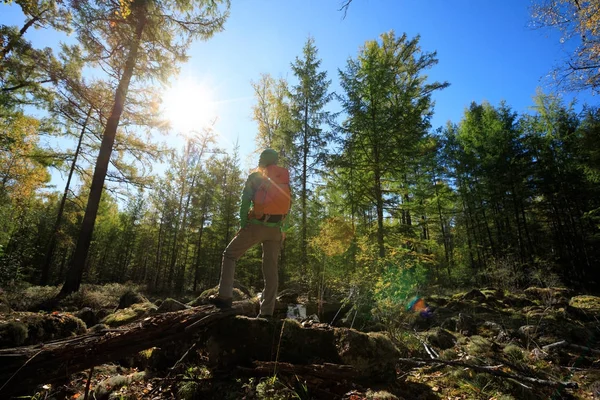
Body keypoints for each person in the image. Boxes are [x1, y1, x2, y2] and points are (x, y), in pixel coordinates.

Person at [209, 149, 291, 318]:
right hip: (276, 230)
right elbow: (288, 206)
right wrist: (283, 230)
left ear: (262, 161)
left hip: (257, 225)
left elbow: (245, 203)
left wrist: (243, 224)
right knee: (270, 270)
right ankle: (267, 312)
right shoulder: (283, 178)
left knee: (230, 255)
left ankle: (224, 297)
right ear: (275, 161)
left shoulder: (255, 177)